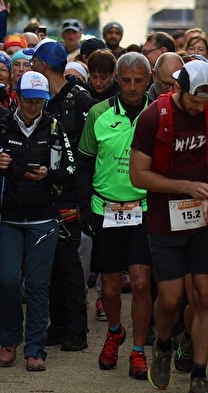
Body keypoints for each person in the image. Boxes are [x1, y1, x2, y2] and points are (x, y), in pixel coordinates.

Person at [129, 60, 208, 393]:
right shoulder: (154, 117)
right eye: (194, 101)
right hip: (165, 220)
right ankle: (164, 344)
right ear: (178, 88)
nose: (199, 108)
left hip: (204, 219)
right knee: (170, 298)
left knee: (206, 296)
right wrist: (188, 187)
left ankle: (198, 372)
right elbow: (138, 176)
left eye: (204, 102)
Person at [0, 71, 75, 371]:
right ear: (17, 97)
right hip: (7, 217)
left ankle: (35, 349)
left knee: (37, 286)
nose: (33, 106)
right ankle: (9, 338)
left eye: (39, 101)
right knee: (7, 281)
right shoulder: (2, 125)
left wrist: (50, 174)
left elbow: (71, 171)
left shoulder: (56, 128)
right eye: (28, 100)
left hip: (42, 219)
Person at [78, 52, 154, 379]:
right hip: (105, 210)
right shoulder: (98, 112)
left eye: (139, 80)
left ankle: (138, 351)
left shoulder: (159, 112)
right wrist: (84, 208)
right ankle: (113, 332)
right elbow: (83, 163)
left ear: (148, 80)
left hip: (144, 209)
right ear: (116, 80)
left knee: (140, 283)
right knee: (109, 289)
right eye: (126, 80)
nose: (133, 87)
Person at [28, 39, 95, 351]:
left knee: (69, 265)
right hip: (43, 192)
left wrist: (84, 200)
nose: (29, 68)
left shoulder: (81, 100)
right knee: (48, 263)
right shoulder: (40, 99)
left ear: (43, 66)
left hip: (70, 194)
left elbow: (90, 154)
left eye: (33, 63)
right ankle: (57, 324)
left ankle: (77, 330)